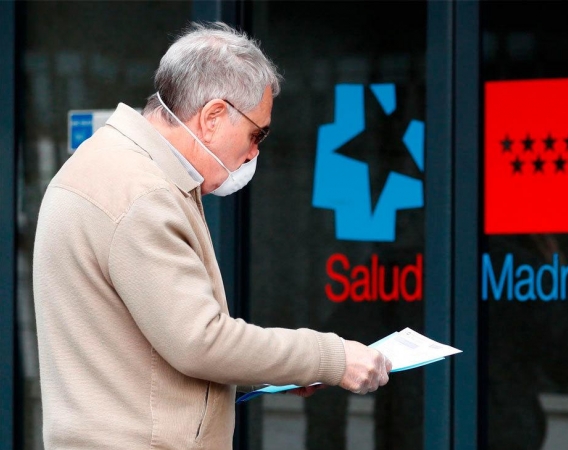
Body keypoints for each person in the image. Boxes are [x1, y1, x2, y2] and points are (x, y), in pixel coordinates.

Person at [32, 22, 391, 449]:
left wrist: (275, 371)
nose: (256, 151)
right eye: (257, 133)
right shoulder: (142, 193)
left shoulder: (110, 165)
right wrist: (331, 357)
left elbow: (141, 352)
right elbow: (199, 341)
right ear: (213, 117)